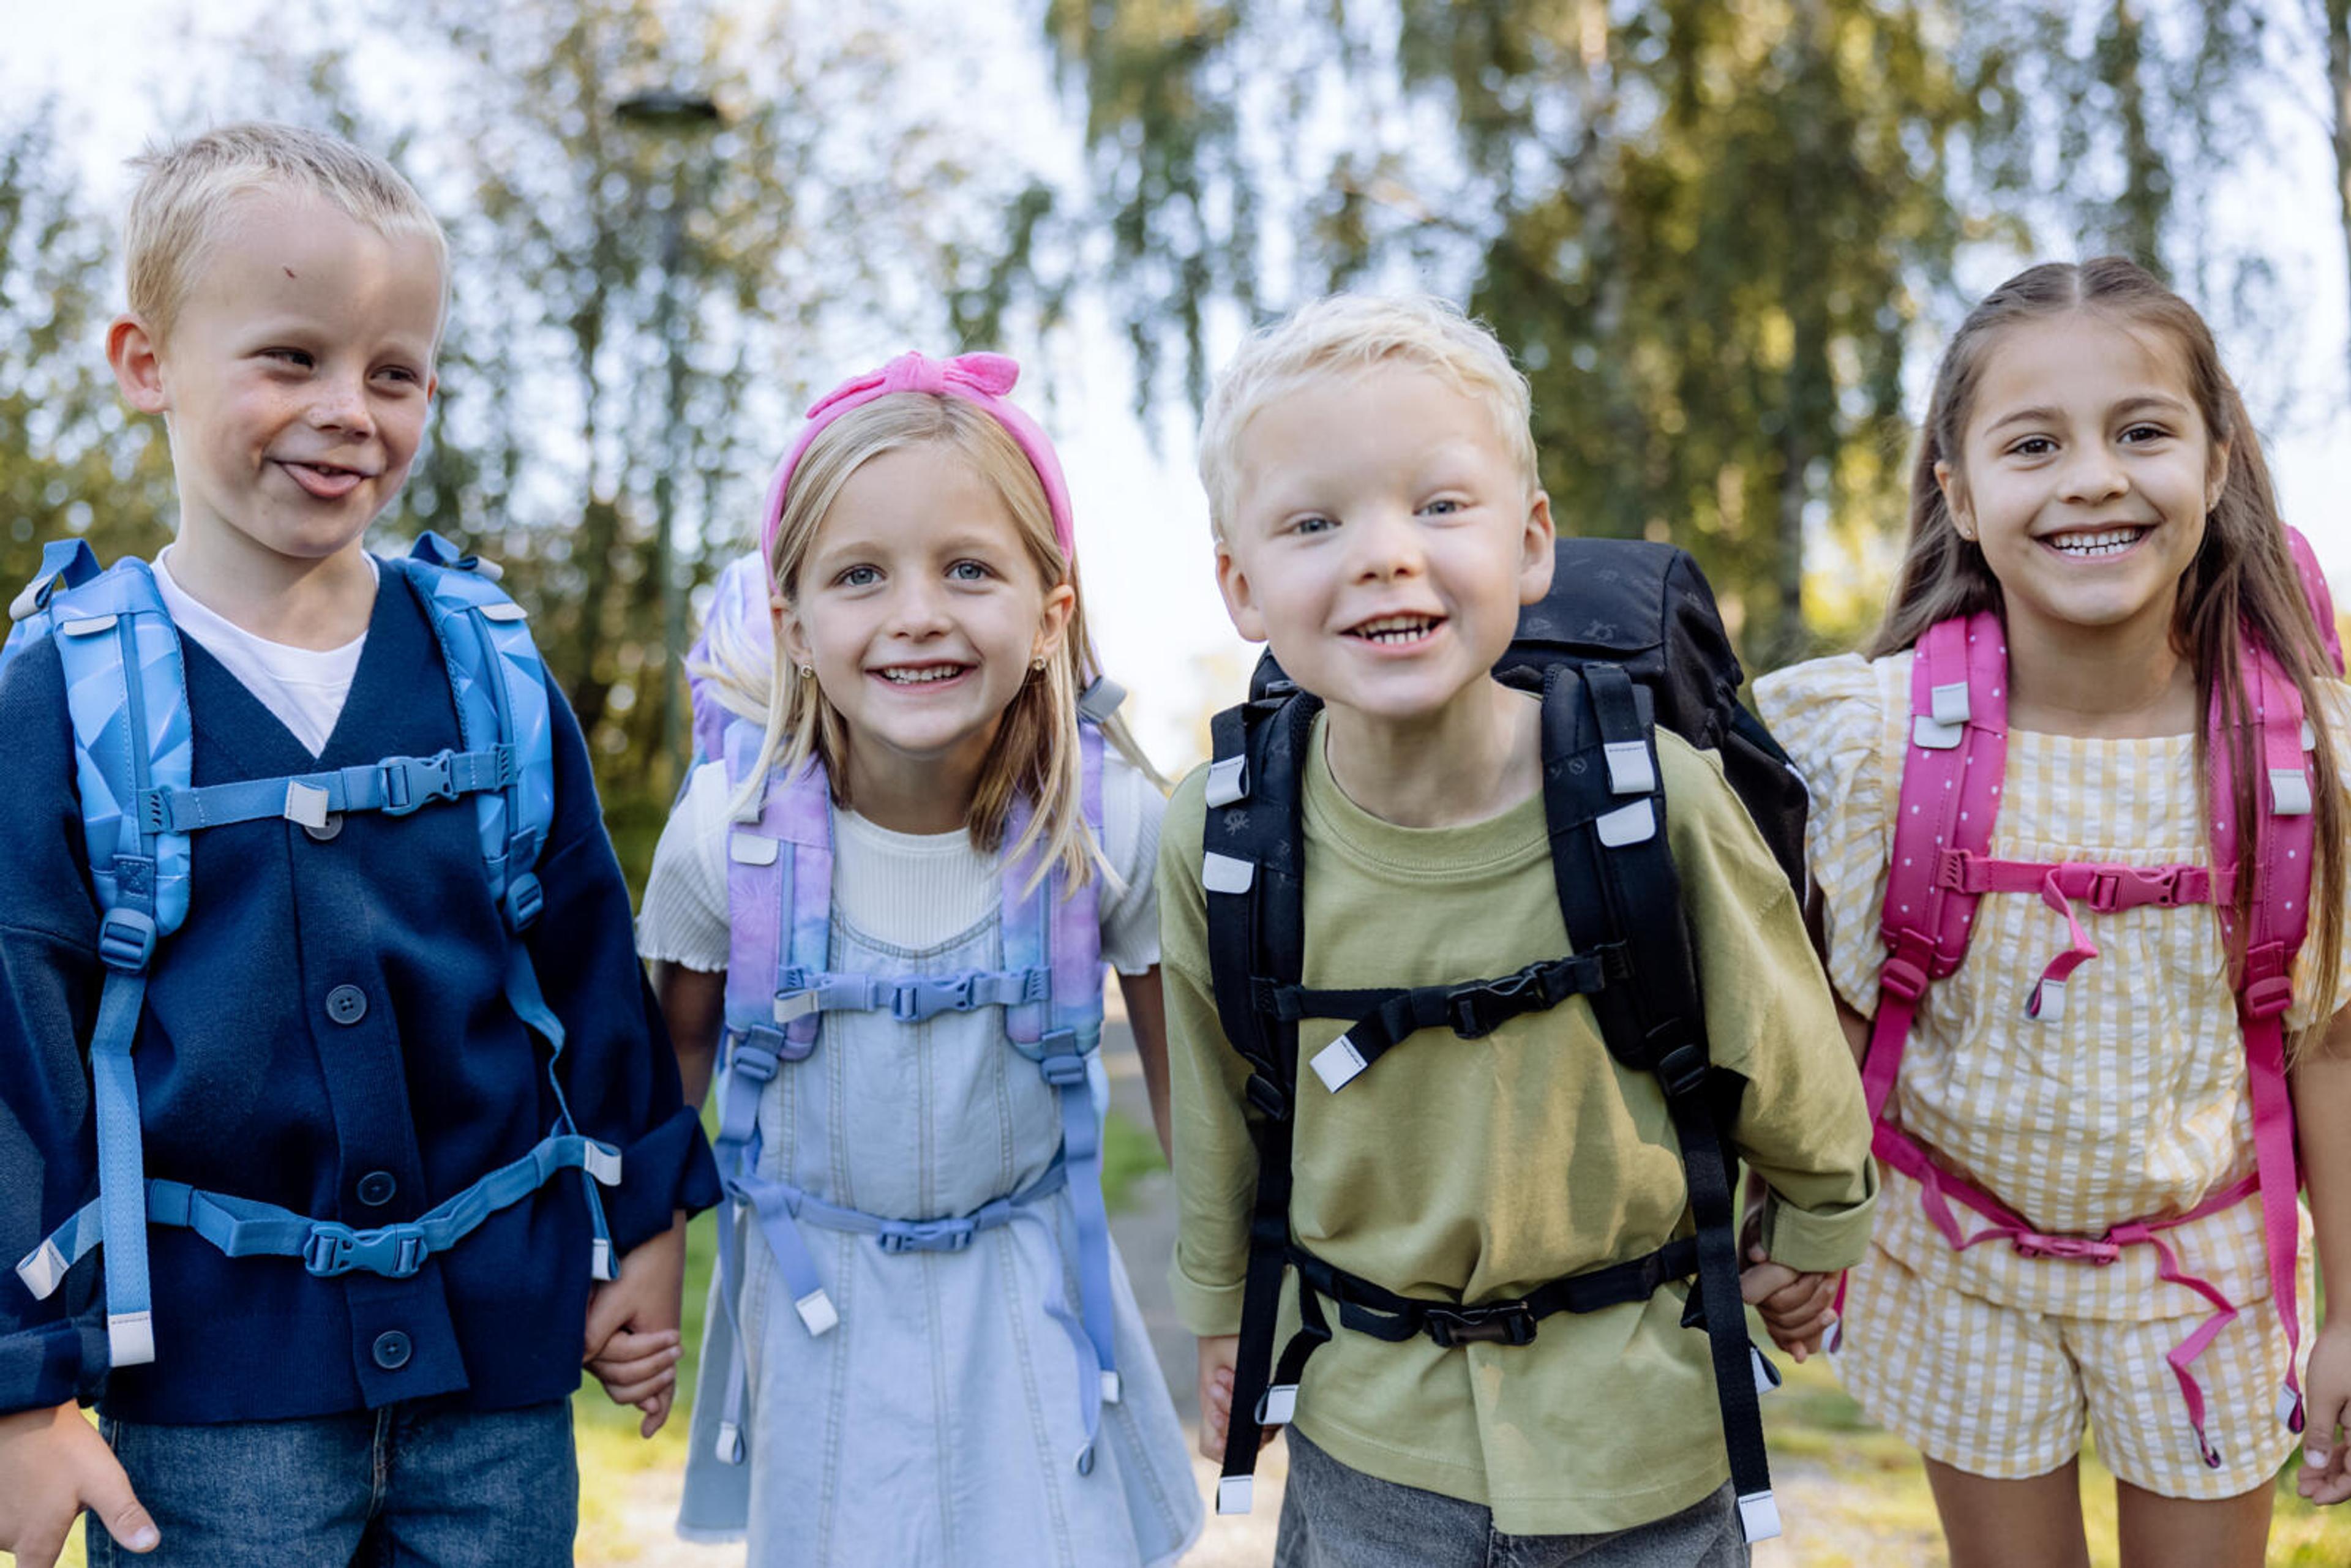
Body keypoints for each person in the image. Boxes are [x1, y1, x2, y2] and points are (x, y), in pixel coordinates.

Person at [0, 122, 719, 1568]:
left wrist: (643, 1230)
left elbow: (584, 961)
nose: (351, 411)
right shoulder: (60, 695)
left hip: (498, 1390)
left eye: (395, 373)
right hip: (212, 1411)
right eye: (291, 358)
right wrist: (24, 1397)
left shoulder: (488, 667)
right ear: (146, 364)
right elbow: (16, 1055)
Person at [1157, 291, 1878, 1566]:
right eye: (1316, 523)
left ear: (1531, 542)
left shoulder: (1653, 795)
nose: (1386, 554)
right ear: (1242, 587)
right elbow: (1222, 1107)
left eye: (1440, 506)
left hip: (1644, 1441)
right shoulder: (1218, 837)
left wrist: (1815, 1232)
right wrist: (1229, 1316)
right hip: (1370, 1443)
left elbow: (1787, 1044)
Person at [1754, 257, 2351, 1568]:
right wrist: (1798, 1219)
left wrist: (2349, 1310)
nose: (2093, 476)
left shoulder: (2298, 761)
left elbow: (2326, 1041)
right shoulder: (1875, 747)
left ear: (2218, 466)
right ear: (1959, 496)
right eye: (2036, 444)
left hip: (2207, 1280)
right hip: (1959, 1260)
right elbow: (1831, 1011)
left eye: (2141, 432)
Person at [637, 350, 1202, 1564]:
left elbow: (1187, 1092)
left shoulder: (1109, 830)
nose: (916, 615)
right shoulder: (726, 840)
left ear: (1051, 614)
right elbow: (669, 1062)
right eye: (859, 575)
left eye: (968, 569)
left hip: (1034, 1304)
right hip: (815, 1311)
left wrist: (1223, 1310)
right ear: (791, 620)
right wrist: (644, 1264)